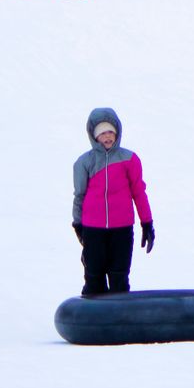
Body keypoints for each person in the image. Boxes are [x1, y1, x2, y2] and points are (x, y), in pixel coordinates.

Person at [71, 107, 155, 296]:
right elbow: (79, 195)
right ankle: (91, 321)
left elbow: (139, 192)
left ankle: (122, 320)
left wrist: (147, 222)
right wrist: (78, 224)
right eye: (102, 133)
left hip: (122, 230)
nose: (108, 137)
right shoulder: (84, 162)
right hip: (93, 230)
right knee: (94, 277)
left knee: (119, 278)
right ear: (94, 136)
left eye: (111, 132)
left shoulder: (130, 159)